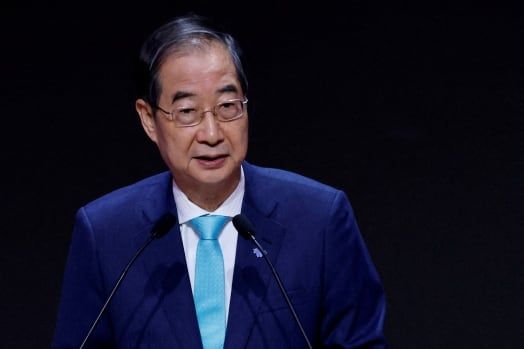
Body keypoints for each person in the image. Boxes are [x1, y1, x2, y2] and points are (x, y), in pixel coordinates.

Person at [52, 14, 387, 349]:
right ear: (149, 119)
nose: (211, 134)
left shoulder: (319, 219)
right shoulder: (106, 233)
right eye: (187, 111)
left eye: (227, 106)